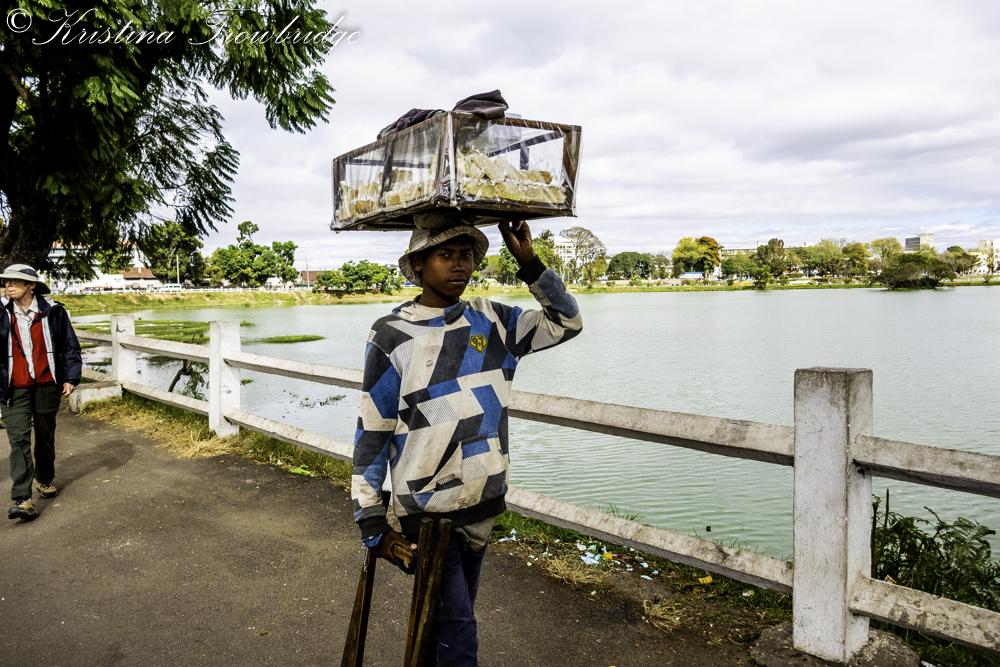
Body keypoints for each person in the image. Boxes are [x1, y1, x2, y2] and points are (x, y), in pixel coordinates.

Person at [351, 219, 582, 666]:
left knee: (441, 628)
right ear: (418, 263)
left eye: (467, 255)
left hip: (482, 500)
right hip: (425, 511)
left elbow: (566, 321)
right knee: (459, 637)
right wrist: (370, 517)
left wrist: (529, 261)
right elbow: (373, 427)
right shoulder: (392, 334)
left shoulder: (495, 321)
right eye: (446, 255)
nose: (460, 265)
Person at [1, 264, 82, 521]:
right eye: (6, 282)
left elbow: (69, 346)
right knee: (19, 440)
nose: (8, 286)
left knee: (45, 435)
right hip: (13, 388)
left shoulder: (53, 311)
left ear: (31, 285)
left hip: (47, 385)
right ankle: (22, 498)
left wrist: (70, 377)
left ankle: (45, 478)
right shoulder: (1, 312)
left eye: (14, 281)